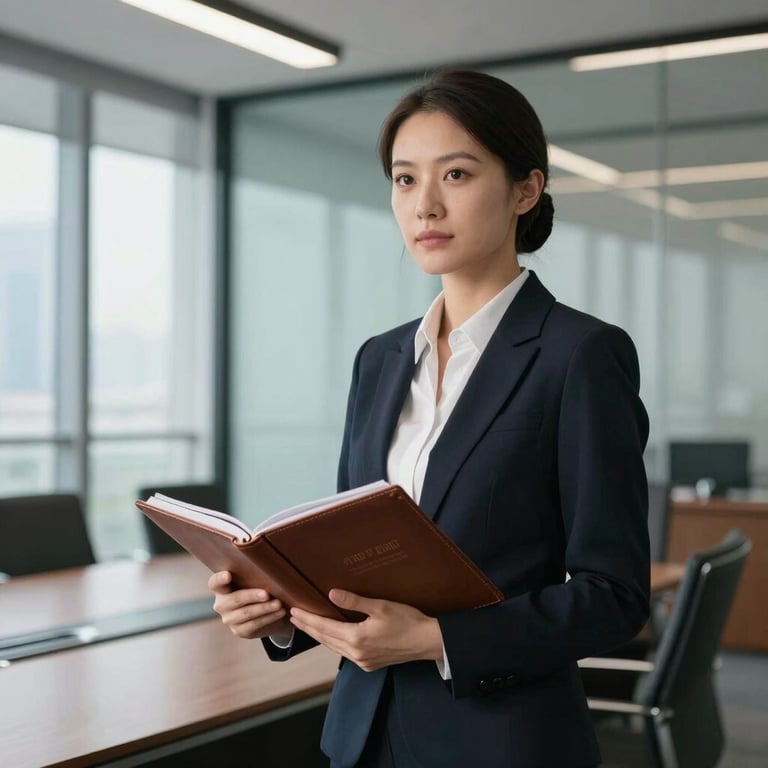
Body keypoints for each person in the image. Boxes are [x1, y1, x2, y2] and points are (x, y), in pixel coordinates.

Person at [209, 69, 650, 768]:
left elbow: (615, 596)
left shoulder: (580, 356)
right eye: (406, 180)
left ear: (525, 191)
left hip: (501, 741)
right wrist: (280, 614)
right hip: (363, 735)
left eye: (457, 175)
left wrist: (435, 639)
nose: (426, 207)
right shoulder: (380, 360)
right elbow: (351, 551)